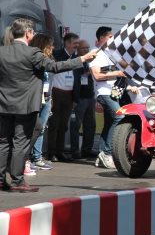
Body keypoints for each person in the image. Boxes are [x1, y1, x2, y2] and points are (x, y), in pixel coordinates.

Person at [0, 18, 96, 192]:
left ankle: (1, 179)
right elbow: (55, 66)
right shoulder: (32, 53)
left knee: (4, 142)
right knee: (21, 143)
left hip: (4, 104)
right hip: (25, 106)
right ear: (28, 33)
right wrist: (82, 59)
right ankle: (17, 181)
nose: (34, 34)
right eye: (33, 32)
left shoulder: (2, 52)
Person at [89, 26, 126, 169]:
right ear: (101, 38)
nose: (113, 39)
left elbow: (126, 67)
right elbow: (97, 76)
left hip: (114, 92)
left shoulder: (112, 53)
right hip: (104, 93)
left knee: (110, 123)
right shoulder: (95, 53)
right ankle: (107, 152)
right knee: (120, 117)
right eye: (110, 37)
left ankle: (102, 155)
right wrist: (118, 73)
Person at [47, 33, 81, 162]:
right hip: (56, 93)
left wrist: (75, 99)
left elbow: (77, 80)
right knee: (54, 124)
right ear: (67, 43)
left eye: (78, 43)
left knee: (63, 125)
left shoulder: (77, 58)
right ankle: (51, 153)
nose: (77, 46)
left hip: (69, 95)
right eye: (75, 43)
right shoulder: (56, 54)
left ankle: (60, 152)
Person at [29, 34, 55, 171]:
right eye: (50, 45)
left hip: (47, 97)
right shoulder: (34, 59)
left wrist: (51, 98)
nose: (53, 48)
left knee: (42, 128)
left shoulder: (50, 60)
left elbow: (50, 81)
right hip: (35, 98)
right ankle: (28, 158)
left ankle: (37, 158)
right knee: (33, 128)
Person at [70, 39, 97, 159]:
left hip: (90, 96)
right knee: (76, 124)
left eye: (88, 48)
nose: (86, 50)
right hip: (79, 97)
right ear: (78, 49)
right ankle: (74, 150)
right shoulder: (75, 61)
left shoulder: (91, 61)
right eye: (84, 48)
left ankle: (87, 149)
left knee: (90, 124)